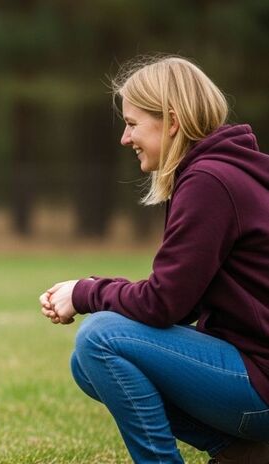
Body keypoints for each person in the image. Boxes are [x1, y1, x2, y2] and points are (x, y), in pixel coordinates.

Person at [40, 55, 269, 464]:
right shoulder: (223, 172)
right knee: (88, 362)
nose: (124, 139)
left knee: (99, 338)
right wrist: (97, 291)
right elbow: (181, 303)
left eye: (132, 124)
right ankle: (242, 452)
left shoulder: (209, 182)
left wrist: (86, 292)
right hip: (254, 376)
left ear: (173, 121)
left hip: (261, 384)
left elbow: (165, 305)